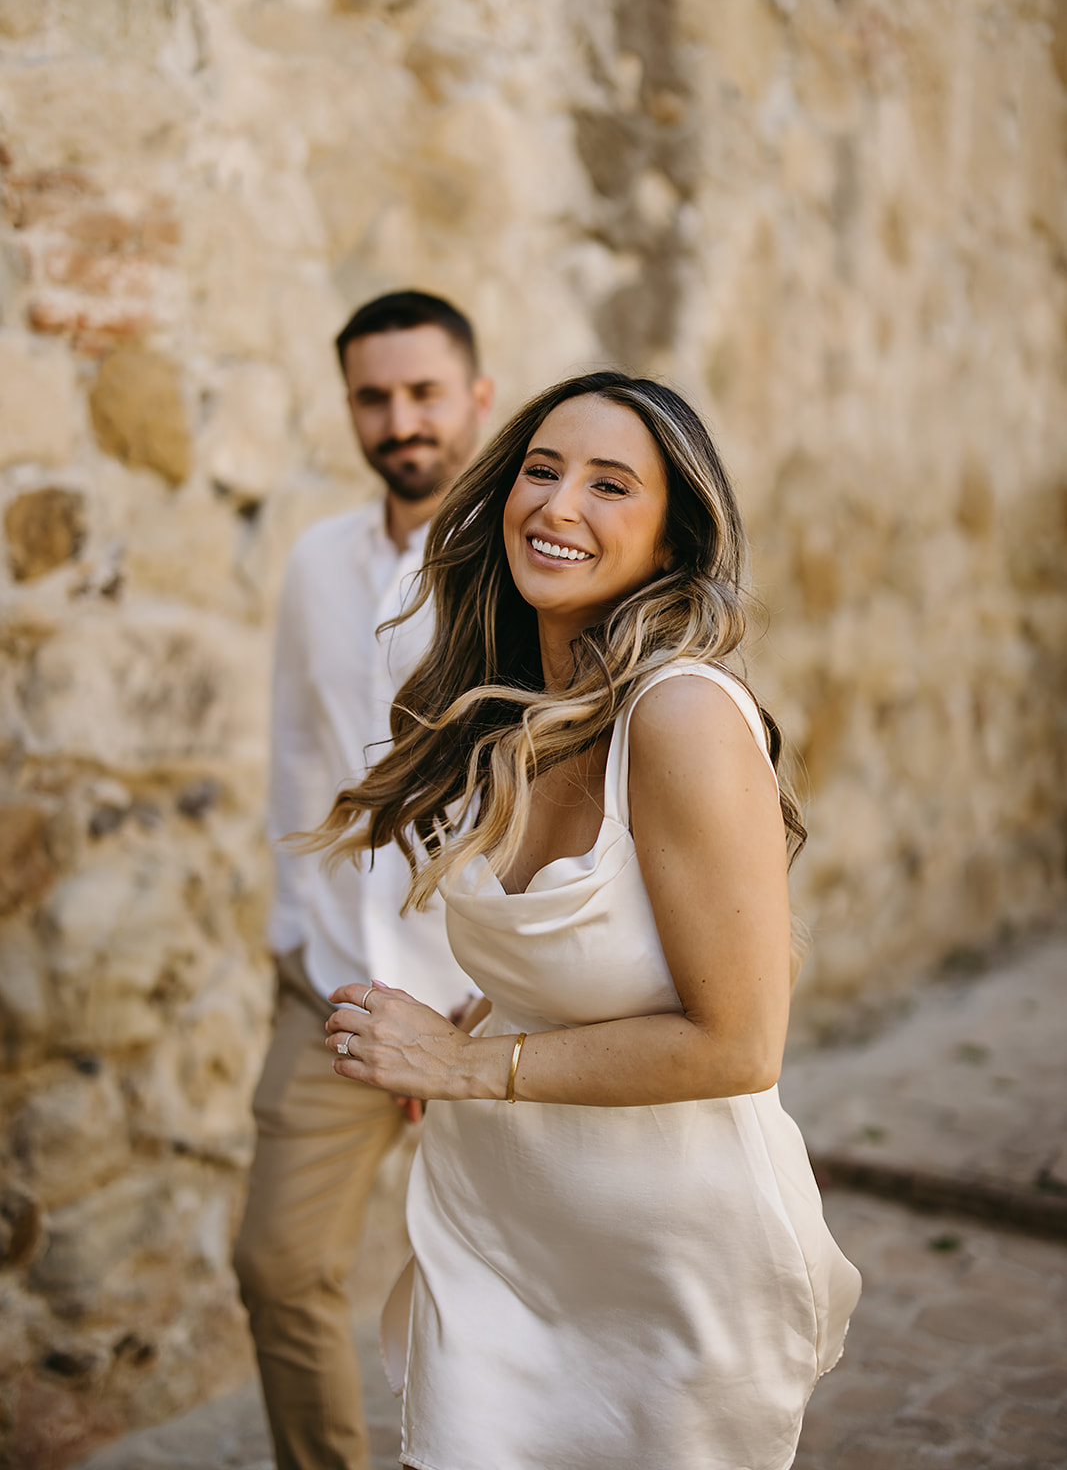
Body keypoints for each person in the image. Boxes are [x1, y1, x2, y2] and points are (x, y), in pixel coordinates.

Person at [314, 372, 862, 1470]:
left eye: (610, 485)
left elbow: (739, 1043)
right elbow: (581, 951)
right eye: (540, 470)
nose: (556, 507)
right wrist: (483, 1009)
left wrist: (466, 1065)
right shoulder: (505, 710)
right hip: (497, 1230)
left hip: (668, 1268)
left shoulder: (682, 715)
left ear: (669, 542)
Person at [233, 290, 494, 1470]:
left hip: (491, 1011)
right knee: (278, 1264)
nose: (400, 421)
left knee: (516, 1302)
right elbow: (297, 753)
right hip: (336, 987)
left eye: (424, 392)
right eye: (373, 397)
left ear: (476, 398)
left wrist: (474, 1021)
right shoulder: (315, 562)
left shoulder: (526, 573)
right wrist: (299, 935)